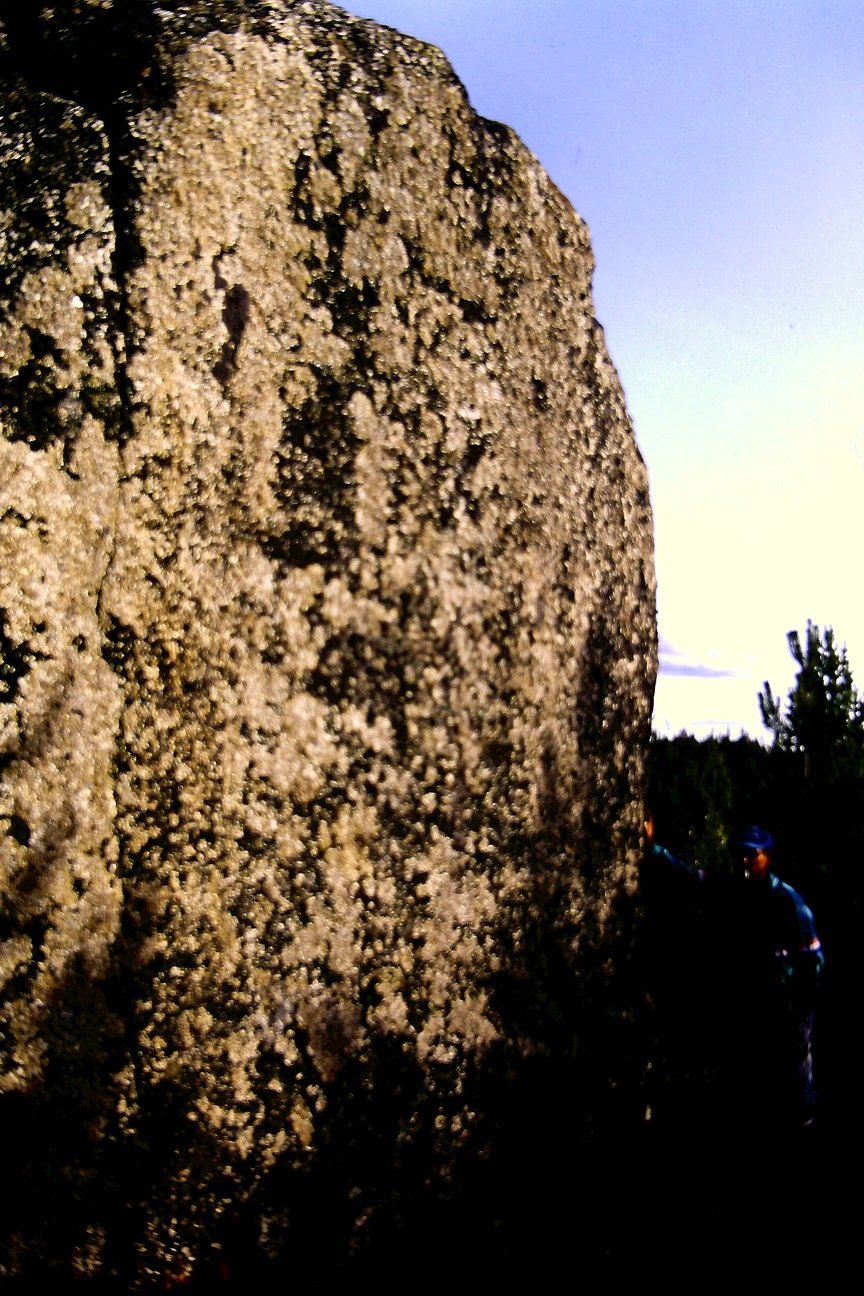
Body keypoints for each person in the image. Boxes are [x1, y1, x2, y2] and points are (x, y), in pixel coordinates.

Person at [709, 825, 824, 1129]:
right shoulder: (739, 894)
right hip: (756, 1006)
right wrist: (654, 851)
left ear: (767, 857)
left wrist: (799, 1011)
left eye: (751, 855)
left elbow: (813, 963)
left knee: (797, 1081)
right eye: (741, 855)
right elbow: (699, 881)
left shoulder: (790, 903)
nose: (745, 862)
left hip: (790, 1008)